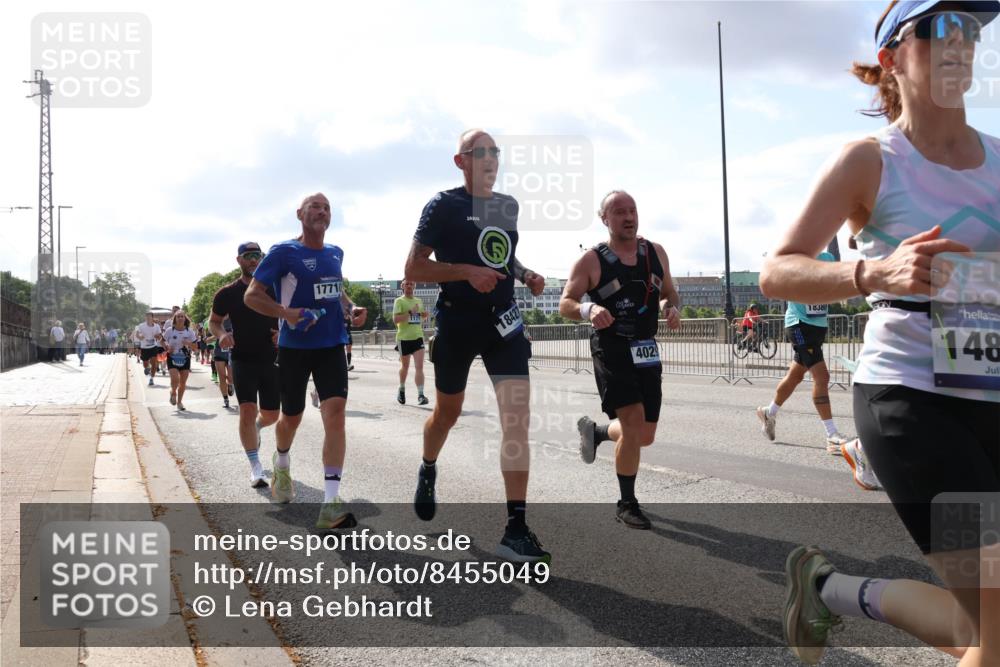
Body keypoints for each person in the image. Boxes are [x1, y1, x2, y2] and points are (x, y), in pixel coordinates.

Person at [760, 2, 999, 664]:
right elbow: (777, 271)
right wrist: (876, 269)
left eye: (971, 30)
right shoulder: (871, 160)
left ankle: (829, 589)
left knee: (984, 623)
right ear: (894, 55)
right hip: (913, 402)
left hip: (992, 395)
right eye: (940, 28)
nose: (961, 43)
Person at [404, 129, 550, 562]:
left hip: (503, 325)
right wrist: (467, 272)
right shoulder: (442, 205)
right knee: (446, 413)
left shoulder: (507, 206)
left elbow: (503, 258)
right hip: (458, 322)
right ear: (460, 161)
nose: (489, 158)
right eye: (479, 152)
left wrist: (525, 275)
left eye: (494, 152)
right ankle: (429, 466)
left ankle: (516, 527)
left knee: (517, 422)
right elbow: (414, 266)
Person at [245, 193, 367, 530]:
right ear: (299, 214)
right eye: (316, 206)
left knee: (336, 415)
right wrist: (286, 313)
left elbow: (335, 290)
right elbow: (252, 296)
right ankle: (281, 461)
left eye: (327, 207)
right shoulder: (284, 252)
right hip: (294, 347)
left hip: (331, 345)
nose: (322, 211)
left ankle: (330, 503)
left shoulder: (335, 253)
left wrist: (350, 307)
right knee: (291, 418)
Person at [561, 190, 682, 529]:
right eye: (619, 212)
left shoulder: (655, 253)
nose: (628, 217)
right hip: (611, 346)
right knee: (632, 423)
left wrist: (670, 308)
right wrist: (589, 308)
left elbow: (668, 291)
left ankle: (597, 432)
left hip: (645, 346)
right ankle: (626, 503)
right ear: (605, 219)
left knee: (644, 435)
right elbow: (566, 302)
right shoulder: (591, 261)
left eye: (632, 210)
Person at [756, 252, 852, 453]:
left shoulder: (827, 258)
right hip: (798, 326)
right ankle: (831, 435)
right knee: (822, 376)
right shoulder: (794, 253)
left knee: (796, 375)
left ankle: (769, 412)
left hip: (818, 325)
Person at [211, 242, 281, 488]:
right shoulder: (227, 293)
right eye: (248, 256)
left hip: (271, 358)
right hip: (241, 358)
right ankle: (255, 467)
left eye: (257, 256)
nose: (253, 260)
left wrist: (282, 332)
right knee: (247, 409)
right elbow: (214, 321)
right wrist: (221, 335)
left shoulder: (275, 289)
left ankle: (258, 427)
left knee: (272, 414)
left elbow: (290, 315)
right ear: (239, 260)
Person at [392, 279, 429, 405]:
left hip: (418, 337)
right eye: (406, 284)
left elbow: (419, 319)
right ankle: (401, 389)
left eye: (411, 284)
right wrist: (409, 312)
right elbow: (396, 320)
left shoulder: (418, 301)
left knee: (419, 367)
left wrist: (423, 316)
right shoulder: (399, 301)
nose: (409, 285)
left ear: (414, 286)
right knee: (405, 367)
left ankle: (421, 395)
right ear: (402, 286)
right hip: (404, 338)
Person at [162, 311, 197, 411]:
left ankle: (179, 402)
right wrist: (167, 347)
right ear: (175, 319)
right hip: (172, 356)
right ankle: (173, 392)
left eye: (182, 316)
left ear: (185, 318)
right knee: (174, 379)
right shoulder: (170, 330)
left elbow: (195, 347)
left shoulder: (189, 331)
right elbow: (162, 341)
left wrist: (189, 343)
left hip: (185, 357)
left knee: (183, 382)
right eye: (178, 317)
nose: (180, 318)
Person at [212, 317, 236, 408]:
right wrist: (219, 335)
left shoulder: (234, 318)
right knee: (221, 377)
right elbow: (208, 337)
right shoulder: (215, 320)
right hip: (219, 352)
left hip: (231, 352)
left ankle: (230, 384)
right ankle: (225, 399)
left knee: (230, 377)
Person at [136, 312, 163, 385]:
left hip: (153, 347)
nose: (148, 318)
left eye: (149, 317)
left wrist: (158, 337)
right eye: (147, 317)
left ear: (152, 318)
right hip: (144, 347)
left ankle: (151, 379)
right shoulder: (141, 325)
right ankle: (147, 368)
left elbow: (160, 336)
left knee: (154, 363)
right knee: (145, 364)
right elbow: (137, 334)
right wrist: (140, 337)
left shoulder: (156, 326)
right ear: (145, 318)